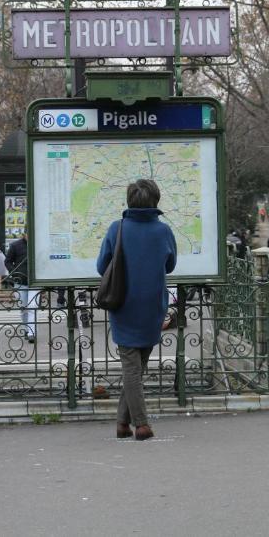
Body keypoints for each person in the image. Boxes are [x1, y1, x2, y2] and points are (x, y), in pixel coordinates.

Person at [96, 179, 177, 442]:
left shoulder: (116, 228)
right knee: (136, 366)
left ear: (130, 200)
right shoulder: (163, 231)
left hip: (123, 305)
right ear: (156, 200)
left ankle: (133, 424)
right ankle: (130, 423)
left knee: (132, 368)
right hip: (153, 305)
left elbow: (101, 267)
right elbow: (170, 265)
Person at [5, 232, 37, 343]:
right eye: (28, 234)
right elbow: (7, 261)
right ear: (24, 234)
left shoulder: (37, 244)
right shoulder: (15, 245)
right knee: (23, 308)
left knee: (32, 306)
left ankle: (31, 333)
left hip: (34, 282)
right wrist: (14, 273)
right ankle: (26, 328)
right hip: (20, 281)